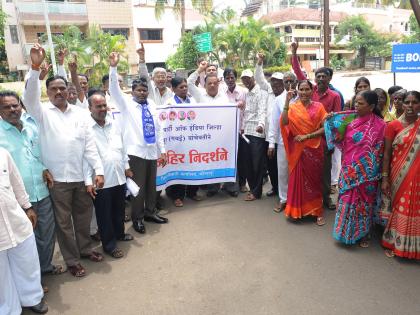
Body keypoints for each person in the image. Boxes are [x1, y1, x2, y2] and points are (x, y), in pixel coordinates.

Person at [23, 44, 105, 277]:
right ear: (47, 92)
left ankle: (86, 248)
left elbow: (89, 145)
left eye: (62, 88)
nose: (59, 92)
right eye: (54, 89)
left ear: (68, 91)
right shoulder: (40, 113)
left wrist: (97, 171)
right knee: (64, 224)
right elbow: (29, 97)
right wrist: (35, 69)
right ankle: (71, 260)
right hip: (57, 180)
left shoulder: (80, 113)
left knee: (83, 218)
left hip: (81, 177)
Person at [0, 91, 65, 288]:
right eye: (7, 107)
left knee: (46, 234)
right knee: (25, 243)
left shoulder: (31, 126)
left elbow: (37, 154)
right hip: (16, 200)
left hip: (41, 191)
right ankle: (32, 283)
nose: (13, 110)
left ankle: (44, 267)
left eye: (16, 105)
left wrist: (44, 168)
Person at [108, 52, 168, 235]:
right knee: (138, 189)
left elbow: (158, 129)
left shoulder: (151, 104)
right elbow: (114, 90)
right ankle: (138, 219)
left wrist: (162, 150)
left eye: (144, 90)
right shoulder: (125, 105)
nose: (142, 93)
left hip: (151, 152)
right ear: (132, 91)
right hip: (135, 153)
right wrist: (113, 67)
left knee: (152, 186)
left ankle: (150, 212)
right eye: (138, 90)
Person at [325, 91, 385, 247]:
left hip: (367, 174)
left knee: (364, 204)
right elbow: (340, 140)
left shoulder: (380, 125)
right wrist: (331, 122)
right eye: (355, 102)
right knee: (346, 199)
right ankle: (343, 232)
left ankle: (363, 234)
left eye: (360, 103)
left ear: (371, 107)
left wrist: (366, 169)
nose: (356, 106)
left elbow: (379, 150)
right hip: (348, 169)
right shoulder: (349, 120)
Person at [291, 41, 341, 210]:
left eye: (323, 76)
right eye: (318, 76)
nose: (320, 78)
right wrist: (294, 52)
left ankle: (326, 198)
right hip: (304, 141)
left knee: (325, 171)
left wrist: (332, 142)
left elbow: (335, 121)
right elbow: (298, 73)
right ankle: (309, 200)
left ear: (329, 78)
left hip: (324, 140)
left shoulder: (334, 96)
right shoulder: (309, 92)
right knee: (308, 172)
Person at [85, 90, 134, 258]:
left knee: (119, 210)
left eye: (104, 105)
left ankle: (120, 234)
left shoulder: (114, 124)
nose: (102, 109)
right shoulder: (86, 129)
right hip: (101, 181)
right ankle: (109, 245)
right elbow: (85, 158)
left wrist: (126, 166)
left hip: (119, 175)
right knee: (104, 215)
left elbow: (123, 147)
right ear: (89, 107)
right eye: (98, 106)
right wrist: (88, 182)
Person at [0, 147, 48, 314]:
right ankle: (9, 309)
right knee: (1, 276)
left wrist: (27, 207)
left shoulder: (3, 154)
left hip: (16, 222)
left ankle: (32, 298)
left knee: (27, 262)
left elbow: (16, 182)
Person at [280, 80, 327, 226]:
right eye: (301, 89)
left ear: (312, 91)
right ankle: (298, 210)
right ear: (297, 91)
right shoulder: (293, 107)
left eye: (307, 89)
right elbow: (285, 122)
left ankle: (317, 211)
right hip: (298, 151)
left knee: (314, 182)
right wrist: (287, 102)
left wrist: (307, 136)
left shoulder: (319, 107)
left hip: (314, 149)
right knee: (297, 181)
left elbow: (325, 128)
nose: (304, 92)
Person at [381, 91, 420, 259]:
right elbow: (387, 154)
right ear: (402, 104)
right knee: (399, 208)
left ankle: (414, 246)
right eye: (407, 102)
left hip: (418, 175)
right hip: (398, 175)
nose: (410, 106)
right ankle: (395, 243)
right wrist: (385, 178)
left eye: (415, 102)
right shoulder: (393, 125)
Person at [164, 77, 202, 207]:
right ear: (173, 89)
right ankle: (176, 196)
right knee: (178, 168)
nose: (184, 89)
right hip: (176, 142)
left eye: (185, 86)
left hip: (191, 139)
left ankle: (192, 192)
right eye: (181, 87)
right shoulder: (169, 103)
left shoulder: (192, 100)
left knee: (192, 166)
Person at [255, 52, 285, 198]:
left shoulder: (288, 96)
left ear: (283, 83)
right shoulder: (268, 91)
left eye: (278, 82)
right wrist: (260, 62)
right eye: (273, 81)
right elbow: (259, 78)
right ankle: (275, 187)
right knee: (272, 166)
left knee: (284, 167)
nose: (274, 84)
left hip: (284, 138)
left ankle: (284, 191)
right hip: (269, 137)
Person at [268, 72, 298, 212]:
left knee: (297, 171)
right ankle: (284, 199)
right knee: (283, 172)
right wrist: (271, 143)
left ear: (296, 82)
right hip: (283, 142)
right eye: (286, 81)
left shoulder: (302, 97)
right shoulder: (279, 100)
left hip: (300, 141)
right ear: (283, 83)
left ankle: (297, 199)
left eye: (291, 81)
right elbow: (274, 123)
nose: (289, 84)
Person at [241, 69, 269, 201]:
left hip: (257, 133)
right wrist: (242, 128)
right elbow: (246, 113)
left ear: (253, 78)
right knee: (248, 163)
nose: (246, 81)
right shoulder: (247, 94)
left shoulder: (261, 93)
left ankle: (256, 192)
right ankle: (252, 189)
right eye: (244, 79)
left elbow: (262, 110)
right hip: (246, 132)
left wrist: (261, 125)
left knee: (257, 164)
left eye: (248, 78)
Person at [223, 68, 247, 194]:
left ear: (235, 78)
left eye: (232, 77)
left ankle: (243, 184)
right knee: (228, 159)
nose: (230, 80)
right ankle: (228, 184)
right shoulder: (222, 92)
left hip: (240, 131)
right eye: (227, 77)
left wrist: (243, 128)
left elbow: (246, 112)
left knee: (241, 159)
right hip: (226, 133)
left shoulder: (243, 92)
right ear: (224, 79)